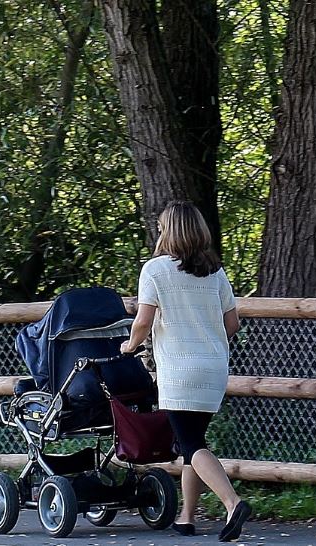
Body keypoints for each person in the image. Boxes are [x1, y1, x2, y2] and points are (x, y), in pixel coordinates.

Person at [120, 200, 251, 542]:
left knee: (191, 444)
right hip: (213, 369)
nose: (159, 232)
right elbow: (233, 324)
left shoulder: (155, 270)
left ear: (170, 231)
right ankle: (187, 517)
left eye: (162, 227)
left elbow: (143, 321)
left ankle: (233, 503)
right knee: (192, 442)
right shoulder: (215, 272)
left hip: (180, 371)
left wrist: (130, 346)